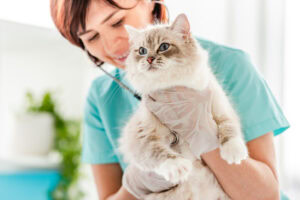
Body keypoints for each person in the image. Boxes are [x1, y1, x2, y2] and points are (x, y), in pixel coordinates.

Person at [50, 0, 290, 199]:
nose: (112, 44)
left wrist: (206, 139)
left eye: (117, 22)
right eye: (91, 37)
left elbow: (266, 196)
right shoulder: (102, 95)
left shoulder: (231, 65)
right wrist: (136, 183)